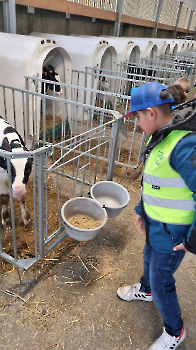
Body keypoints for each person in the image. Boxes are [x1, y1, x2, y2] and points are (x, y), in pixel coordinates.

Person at [118, 82, 196, 350]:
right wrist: (142, 211)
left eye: (138, 117)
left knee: (163, 281)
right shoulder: (162, 134)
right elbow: (155, 180)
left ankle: (175, 331)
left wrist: (193, 240)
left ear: (151, 113)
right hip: (156, 225)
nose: (137, 124)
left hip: (174, 234)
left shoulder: (184, 145)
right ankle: (145, 289)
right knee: (148, 259)